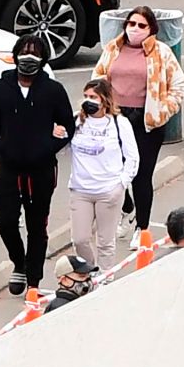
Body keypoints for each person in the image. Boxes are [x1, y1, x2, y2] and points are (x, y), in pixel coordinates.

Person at [0, 35, 73, 293]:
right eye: (24, 52)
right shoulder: (0, 88)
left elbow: (68, 125)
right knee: (6, 221)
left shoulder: (53, 90)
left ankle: (33, 280)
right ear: (15, 55)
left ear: (43, 60)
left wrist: (49, 147)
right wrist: (0, 145)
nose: (28, 57)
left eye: (35, 53)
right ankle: (18, 263)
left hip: (41, 171)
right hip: (9, 169)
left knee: (37, 226)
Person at [91, 5, 184, 234]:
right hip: (116, 117)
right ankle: (127, 207)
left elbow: (179, 86)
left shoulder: (161, 53)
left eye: (141, 25)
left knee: (141, 176)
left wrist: (162, 111)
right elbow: (97, 79)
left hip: (146, 122)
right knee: (114, 172)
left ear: (151, 29)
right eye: (131, 24)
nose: (135, 29)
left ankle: (141, 228)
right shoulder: (113, 49)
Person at [66, 76, 137, 269]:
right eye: (85, 96)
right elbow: (59, 143)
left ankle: (105, 277)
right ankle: (89, 270)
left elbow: (132, 157)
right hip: (80, 190)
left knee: (105, 242)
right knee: (79, 239)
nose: (88, 100)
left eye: (93, 97)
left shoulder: (119, 124)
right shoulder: (76, 121)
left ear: (105, 100)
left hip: (109, 190)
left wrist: (121, 184)